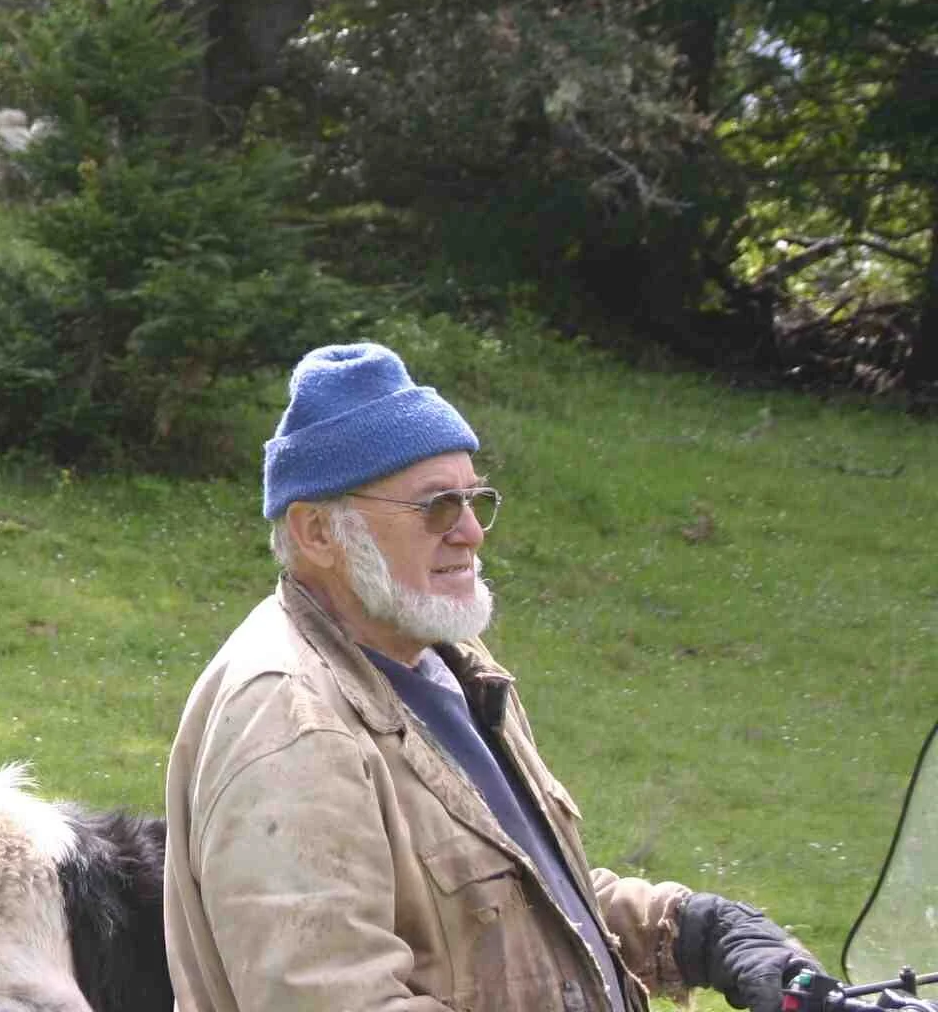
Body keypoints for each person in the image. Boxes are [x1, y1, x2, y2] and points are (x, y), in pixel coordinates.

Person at [164, 342, 817, 1012]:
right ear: (318, 533)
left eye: (475, 500)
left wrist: (698, 931)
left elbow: (512, 912)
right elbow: (331, 999)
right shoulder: (290, 721)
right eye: (437, 508)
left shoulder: (447, 666)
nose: (472, 532)